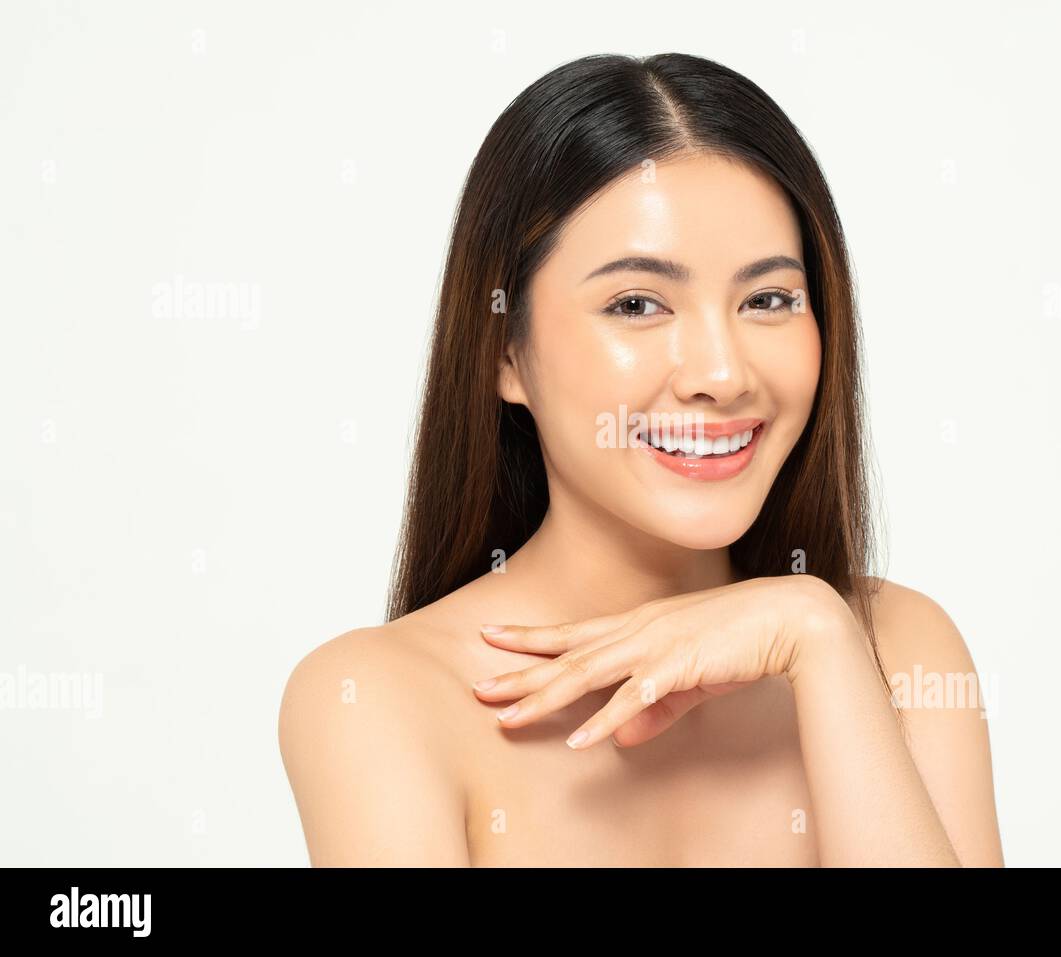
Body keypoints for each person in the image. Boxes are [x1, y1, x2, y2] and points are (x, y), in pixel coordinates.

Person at [278, 52, 1004, 867]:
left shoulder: (896, 652)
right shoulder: (377, 701)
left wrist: (815, 635)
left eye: (767, 299)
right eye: (637, 304)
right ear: (504, 352)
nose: (722, 375)